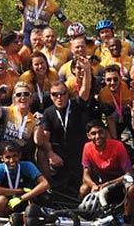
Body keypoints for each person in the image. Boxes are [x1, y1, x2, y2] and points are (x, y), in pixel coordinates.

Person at [35, 58, 93, 190]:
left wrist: (87, 70)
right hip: (60, 154)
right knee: (41, 152)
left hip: (79, 152)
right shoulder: (48, 112)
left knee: (82, 188)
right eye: (55, 95)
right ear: (50, 96)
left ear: (68, 94)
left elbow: (85, 90)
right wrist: (51, 154)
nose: (59, 98)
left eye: (62, 94)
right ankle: (48, 187)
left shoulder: (76, 104)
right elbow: (45, 138)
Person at [80, 120, 134, 222]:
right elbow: (85, 174)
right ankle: (87, 217)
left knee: (132, 188)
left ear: (105, 133)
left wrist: (109, 183)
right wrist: (93, 185)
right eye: (93, 133)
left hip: (119, 182)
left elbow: (129, 173)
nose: (98, 136)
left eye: (100, 132)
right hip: (101, 183)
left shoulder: (118, 146)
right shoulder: (87, 147)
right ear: (88, 136)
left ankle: (128, 218)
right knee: (83, 189)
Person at [0, 140, 49, 215]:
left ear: (20, 155)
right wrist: (20, 191)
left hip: (25, 199)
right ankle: (3, 218)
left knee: (41, 197)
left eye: (15, 156)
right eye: (7, 157)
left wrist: (22, 198)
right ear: (2, 158)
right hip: (8, 202)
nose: (11, 160)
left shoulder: (27, 165)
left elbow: (45, 183)